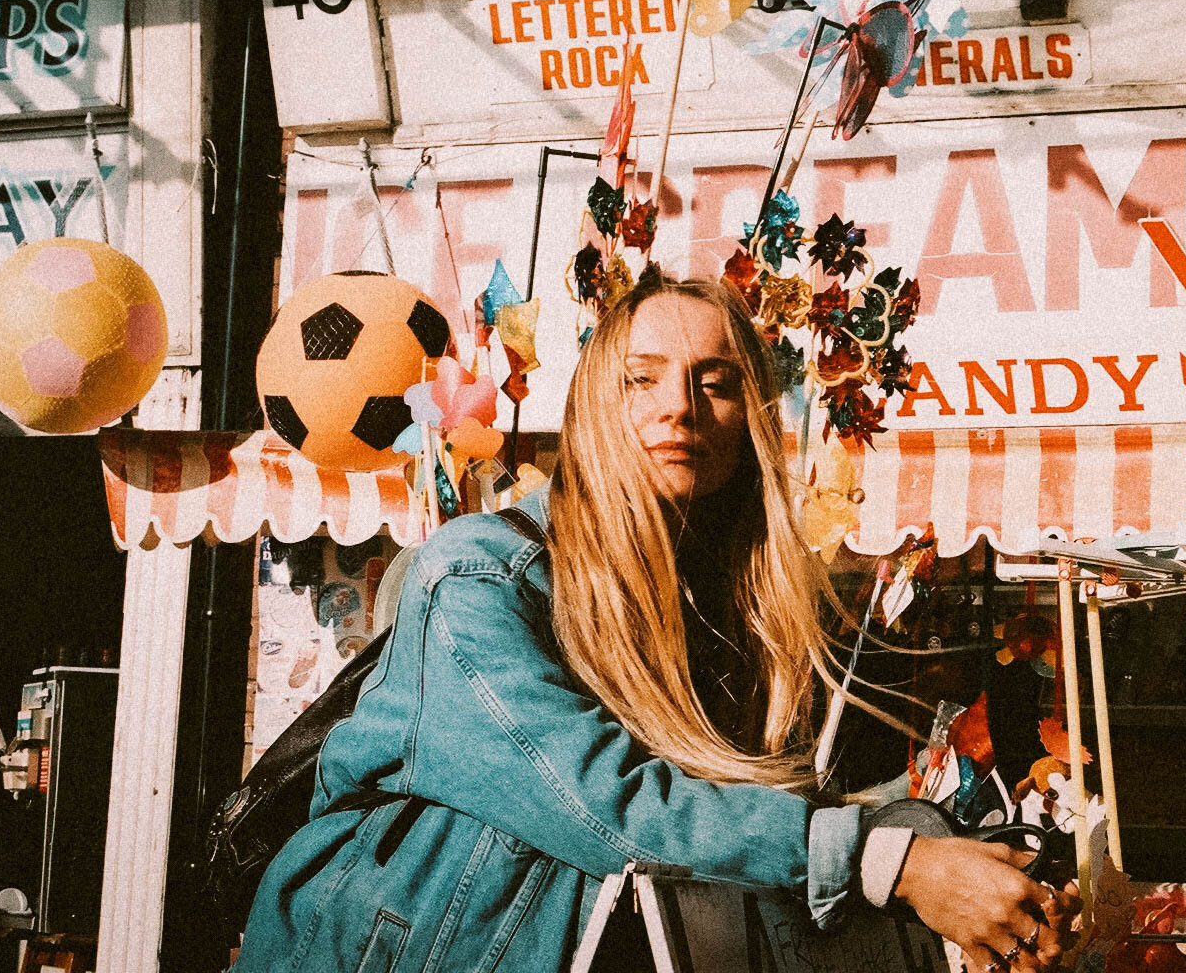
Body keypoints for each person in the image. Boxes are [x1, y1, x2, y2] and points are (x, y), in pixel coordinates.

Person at [234, 275, 1077, 973]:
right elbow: (611, 803)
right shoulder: (479, 575)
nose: (681, 408)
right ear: (599, 403)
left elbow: (763, 818)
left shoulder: (736, 608)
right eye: (644, 379)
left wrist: (987, 881)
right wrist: (890, 862)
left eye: (716, 383)